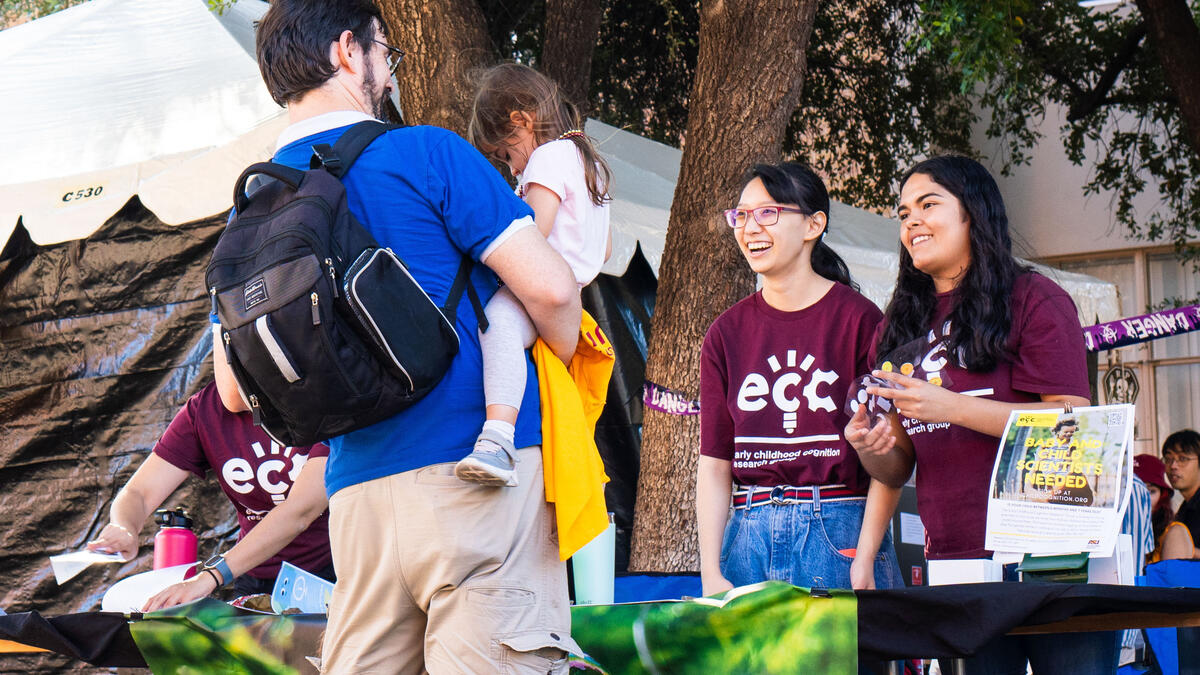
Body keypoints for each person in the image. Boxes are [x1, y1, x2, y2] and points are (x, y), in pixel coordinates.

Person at [253, 2, 582, 672]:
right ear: (349, 51)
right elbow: (550, 288)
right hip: (476, 480)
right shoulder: (425, 152)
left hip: (356, 500)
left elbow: (235, 386)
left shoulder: (255, 203)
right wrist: (568, 344)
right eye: (383, 48)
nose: (389, 67)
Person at [845, 155, 1116, 674]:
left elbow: (1069, 420)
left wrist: (954, 407)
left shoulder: (1034, 299)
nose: (912, 222)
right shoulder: (902, 324)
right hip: (956, 558)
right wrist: (872, 448)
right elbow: (898, 467)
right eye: (903, 214)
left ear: (974, 213)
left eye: (929, 204)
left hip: (1051, 557)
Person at [697, 162, 903, 597]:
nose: (750, 227)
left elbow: (890, 451)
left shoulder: (861, 321)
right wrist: (711, 570)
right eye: (741, 215)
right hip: (746, 536)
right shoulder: (724, 333)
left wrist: (865, 555)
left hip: (839, 530)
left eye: (768, 213)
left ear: (814, 224)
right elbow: (715, 463)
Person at [87, 325, 332, 611]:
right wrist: (125, 526)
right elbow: (139, 492)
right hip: (253, 576)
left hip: (330, 574)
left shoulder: (320, 401)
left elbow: (299, 511)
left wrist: (211, 576)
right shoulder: (205, 411)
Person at [457, 63, 612, 487]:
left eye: (507, 153)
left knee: (497, 326)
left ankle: (497, 438)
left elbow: (531, 232)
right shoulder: (587, 162)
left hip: (536, 286)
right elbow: (608, 247)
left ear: (521, 121)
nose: (510, 168)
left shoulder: (546, 157)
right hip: (576, 293)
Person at [1134, 453, 1192, 563]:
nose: (1143, 498)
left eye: (1151, 491)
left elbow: (1174, 579)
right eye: (1135, 491)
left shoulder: (1173, 533)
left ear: (1162, 496)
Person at [1162, 430, 1200, 559]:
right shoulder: (1185, 508)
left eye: (1183, 459)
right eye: (1168, 459)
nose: (1173, 466)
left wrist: (1186, 551)